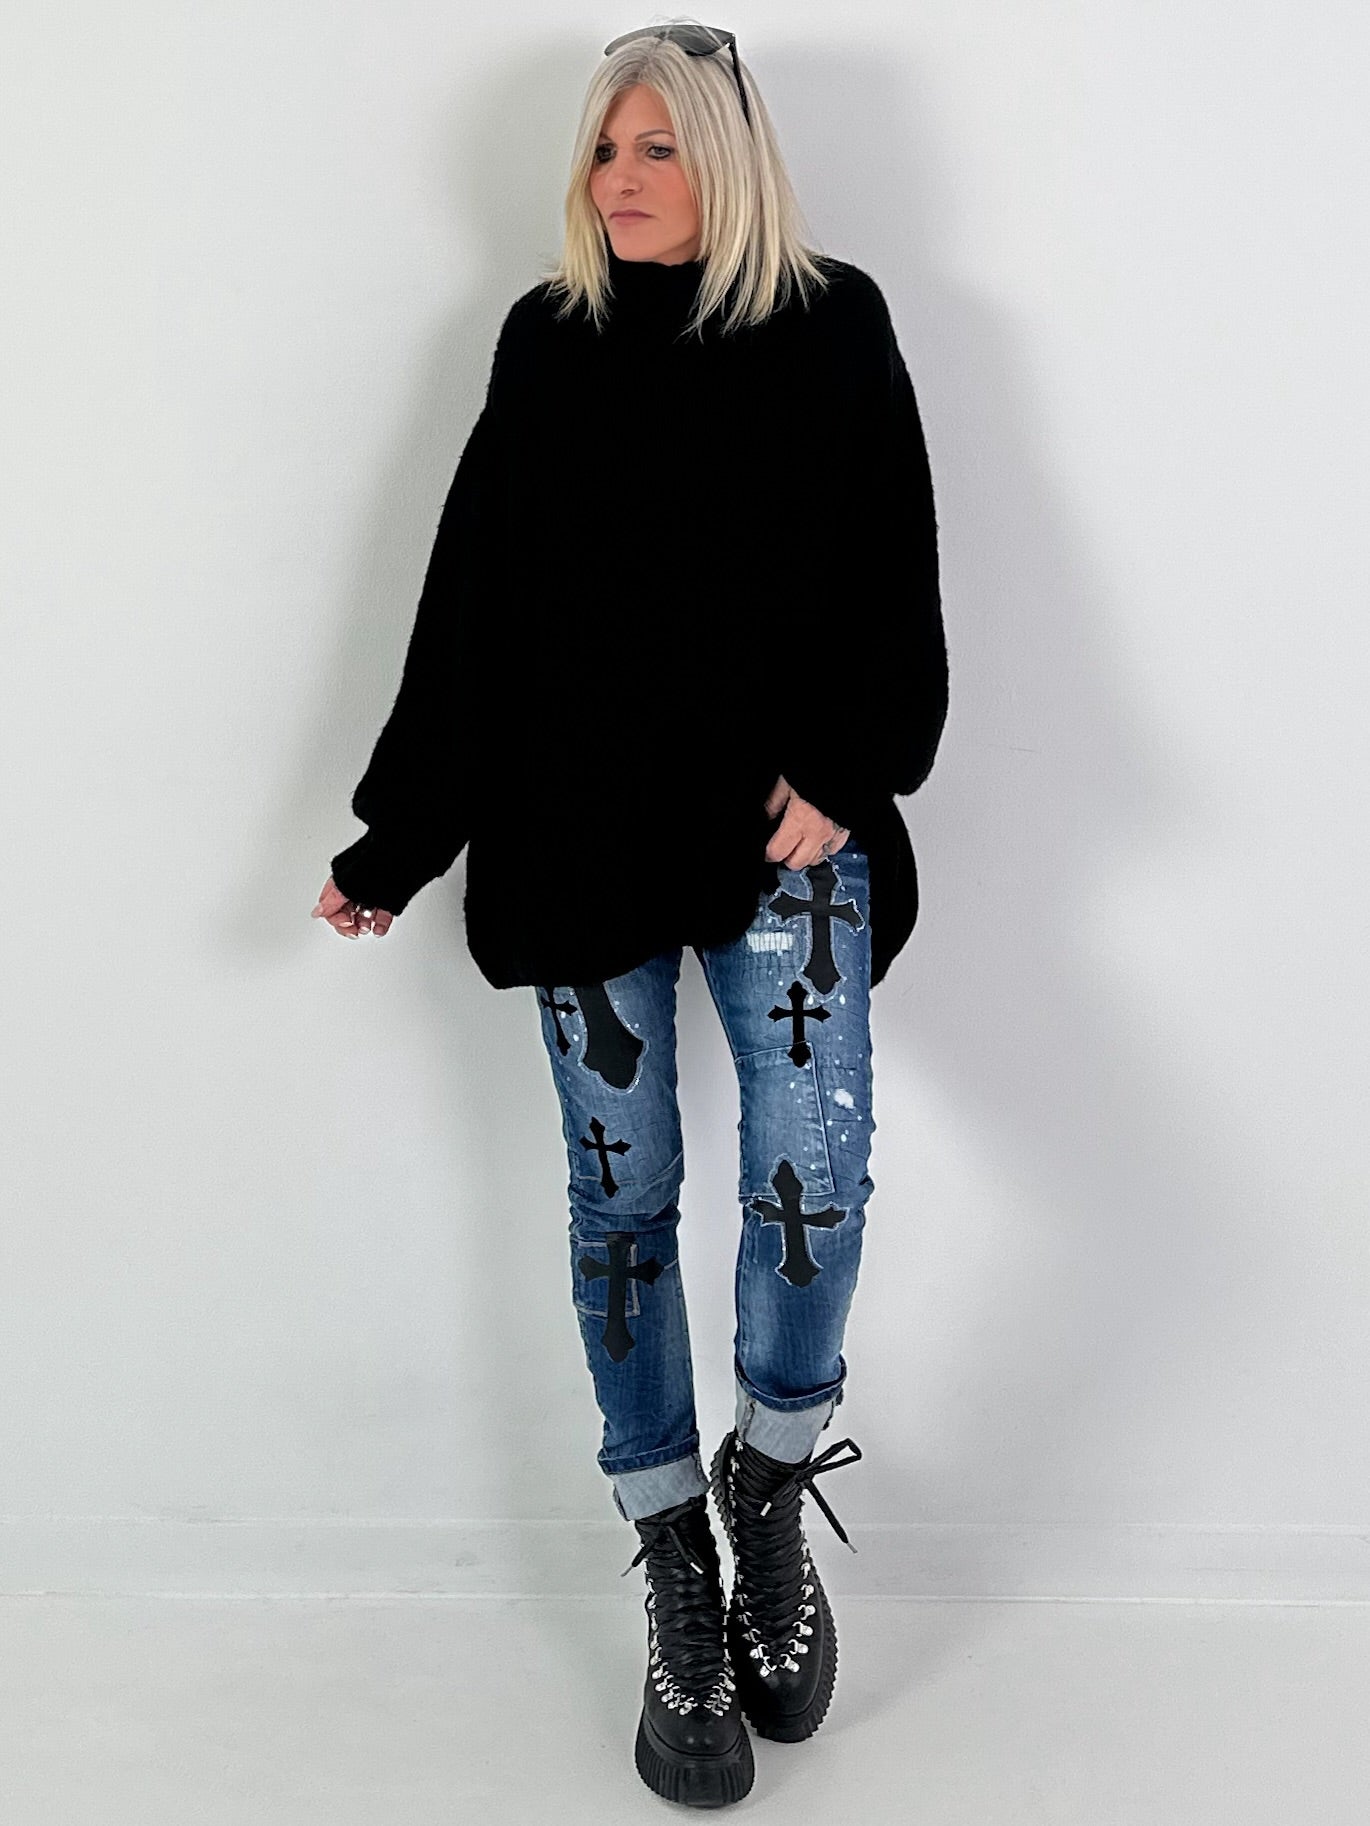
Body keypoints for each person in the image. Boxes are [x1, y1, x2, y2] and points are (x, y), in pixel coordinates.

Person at [312, 19, 947, 1810]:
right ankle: (674, 1550)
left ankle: (769, 1480)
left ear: (728, 158)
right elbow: (473, 604)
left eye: (657, 145)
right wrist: (396, 840)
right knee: (622, 1205)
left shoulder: (833, 323)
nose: (620, 178)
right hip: (574, 840)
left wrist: (851, 768)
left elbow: (894, 567)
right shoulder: (549, 340)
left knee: (814, 1178)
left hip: (780, 843)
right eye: (604, 148)